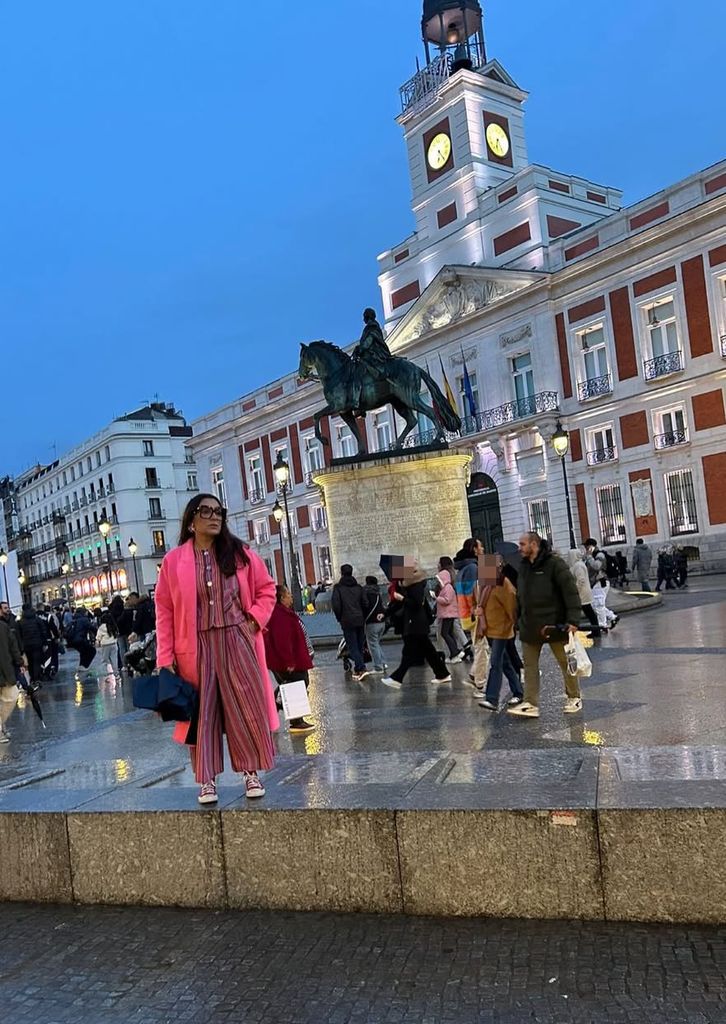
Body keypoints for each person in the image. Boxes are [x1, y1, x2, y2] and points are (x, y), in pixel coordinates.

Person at [156, 493, 278, 805]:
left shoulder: (240, 553)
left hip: (237, 639)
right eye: (206, 511)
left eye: (219, 511)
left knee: (244, 707)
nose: (214, 516)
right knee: (201, 712)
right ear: (191, 520)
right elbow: (165, 609)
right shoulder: (173, 561)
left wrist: (252, 622)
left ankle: (250, 771)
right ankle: (206, 780)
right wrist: (165, 655)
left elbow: (267, 589)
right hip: (194, 645)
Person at [507, 533, 584, 718]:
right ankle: (530, 703)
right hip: (530, 626)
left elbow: (570, 592)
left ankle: (574, 696)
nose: (519, 547)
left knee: (565, 662)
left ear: (534, 545)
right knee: (530, 665)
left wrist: (573, 620)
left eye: (522, 544)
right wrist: (518, 620)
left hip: (554, 625)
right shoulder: (523, 567)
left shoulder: (555, 564)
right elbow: (521, 596)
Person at [381, 564, 452, 689]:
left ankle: (397, 678)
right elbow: (398, 604)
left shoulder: (416, 585)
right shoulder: (408, 585)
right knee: (429, 652)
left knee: (409, 652)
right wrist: (385, 613)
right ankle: (442, 674)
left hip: (416, 623)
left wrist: (402, 598)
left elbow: (416, 603)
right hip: (415, 623)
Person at [264, 584, 315, 734]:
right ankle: (294, 720)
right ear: (281, 598)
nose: (291, 597)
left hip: (290, 659)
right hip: (288, 660)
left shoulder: (282, 612)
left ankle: (277, 707)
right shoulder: (280, 615)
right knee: (298, 683)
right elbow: (282, 640)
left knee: (293, 684)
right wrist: (289, 661)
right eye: (288, 594)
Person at [477, 556, 524, 711]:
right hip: (490, 629)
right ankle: (518, 691)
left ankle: (492, 698)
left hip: (501, 630)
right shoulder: (486, 586)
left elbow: (511, 607)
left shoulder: (504, 584)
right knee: (505, 664)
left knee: (495, 662)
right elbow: (479, 604)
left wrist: (514, 624)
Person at [331, 565, 369, 681]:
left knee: (353, 647)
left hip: (347, 621)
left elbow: (336, 605)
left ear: (342, 573)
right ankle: (359, 668)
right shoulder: (359, 587)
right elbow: (365, 603)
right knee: (359, 645)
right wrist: (362, 615)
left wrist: (340, 618)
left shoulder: (338, 588)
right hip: (360, 620)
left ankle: (361, 668)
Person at [584, 539, 618, 631]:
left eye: (587, 547)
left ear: (591, 546)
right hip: (596, 583)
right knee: (596, 604)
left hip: (601, 582)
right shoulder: (592, 555)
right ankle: (612, 617)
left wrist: (589, 557)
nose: (585, 549)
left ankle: (602, 625)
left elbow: (596, 566)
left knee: (599, 604)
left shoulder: (599, 555)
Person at [566, 549, 600, 637]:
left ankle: (596, 631)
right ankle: (596, 631)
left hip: (582, 593)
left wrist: (575, 590)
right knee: (589, 612)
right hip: (583, 592)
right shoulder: (578, 565)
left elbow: (581, 580)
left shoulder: (578, 566)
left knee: (588, 612)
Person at [0, 615, 23, 743]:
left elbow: (13, 646)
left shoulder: (3, 627)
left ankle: (1, 724)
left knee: (12, 696)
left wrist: (19, 661)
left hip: (5, 669)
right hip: (5, 669)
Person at [435, 561, 463, 663]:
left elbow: (447, 600)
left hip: (448, 614)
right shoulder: (447, 587)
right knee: (449, 633)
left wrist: (436, 598)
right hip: (448, 614)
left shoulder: (448, 588)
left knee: (444, 633)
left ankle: (455, 652)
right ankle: (454, 654)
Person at [18, 605, 49, 686]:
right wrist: (45, 642)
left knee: (30, 662)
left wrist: (21, 647)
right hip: (37, 644)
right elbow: (43, 631)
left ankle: (32, 678)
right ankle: (37, 678)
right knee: (37, 661)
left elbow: (19, 635)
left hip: (27, 645)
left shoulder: (21, 621)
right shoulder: (37, 619)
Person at [363, 575, 387, 675]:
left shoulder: (366, 593)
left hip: (372, 622)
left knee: (372, 645)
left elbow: (365, 606)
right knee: (376, 644)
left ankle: (378, 667)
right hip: (382, 622)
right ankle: (383, 663)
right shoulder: (378, 593)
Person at [96, 612, 120, 681]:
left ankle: (106, 676)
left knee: (104, 661)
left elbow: (98, 637)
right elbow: (117, 633)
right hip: (114, 644)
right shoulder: (113, 625)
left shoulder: (101, 627)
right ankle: (116, 675)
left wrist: (97, 644)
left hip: (105, 645)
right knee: (114, 660)